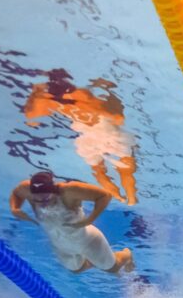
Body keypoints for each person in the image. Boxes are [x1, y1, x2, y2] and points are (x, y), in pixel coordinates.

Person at [24, 69, 139, 205]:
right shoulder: (82, 94)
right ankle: (131, 198)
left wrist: (35, 94)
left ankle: (118, 197)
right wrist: (106, 87)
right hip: (106, 129)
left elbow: (32, 121)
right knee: (126, 168)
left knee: (99, 172)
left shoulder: (46, 101)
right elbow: (117, 117)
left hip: (87, 136)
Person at [10, 171, 134, 274]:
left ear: (53, 190)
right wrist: (15, 208)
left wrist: (89, 220)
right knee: (76, 270)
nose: (42, 203)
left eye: (46, 198)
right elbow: (16, 193)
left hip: (88, 241)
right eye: (37, 200)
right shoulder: (26, 189)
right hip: (61, 246)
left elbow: (104, 196)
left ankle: (126, 254)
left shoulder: (68, 191)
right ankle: (94, 260)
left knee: (113, 269)